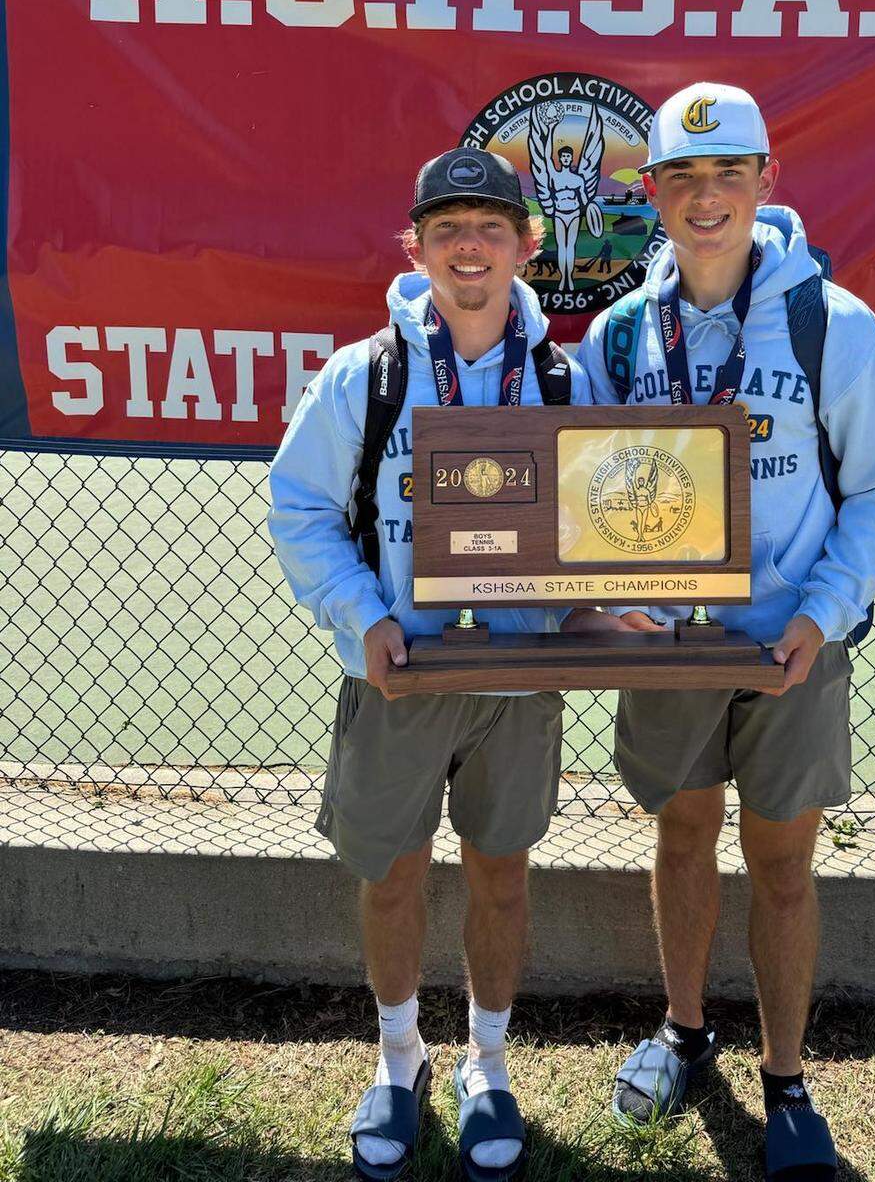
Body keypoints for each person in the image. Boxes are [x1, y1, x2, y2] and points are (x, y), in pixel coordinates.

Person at [575, 83, 875, 1179]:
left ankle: (786, 1078)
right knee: (683, 832)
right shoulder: (622, 334)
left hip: (791, 651)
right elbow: (586, 491)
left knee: (782, 862)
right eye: (682, 176)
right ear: (654, 194)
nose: (706, 196)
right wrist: (598, 588)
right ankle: (685, 1031)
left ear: (768, 181)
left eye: (729, 172)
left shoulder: (833, 320)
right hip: (671, 645)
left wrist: (823, 616)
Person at [267, 148, 591, 1182]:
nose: (468, 244)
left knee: (501, 871)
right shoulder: (368, 374)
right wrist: (363, 615)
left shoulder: (564, 380)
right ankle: (399, 1055)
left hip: (517, 684)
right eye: (446, 225)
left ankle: (487, 1064)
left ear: (528, 249)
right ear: (416, 245)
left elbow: (603, 524)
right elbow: (300, 507)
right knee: (393, 873)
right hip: (398, 676)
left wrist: (620, 595)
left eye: (491, 226)